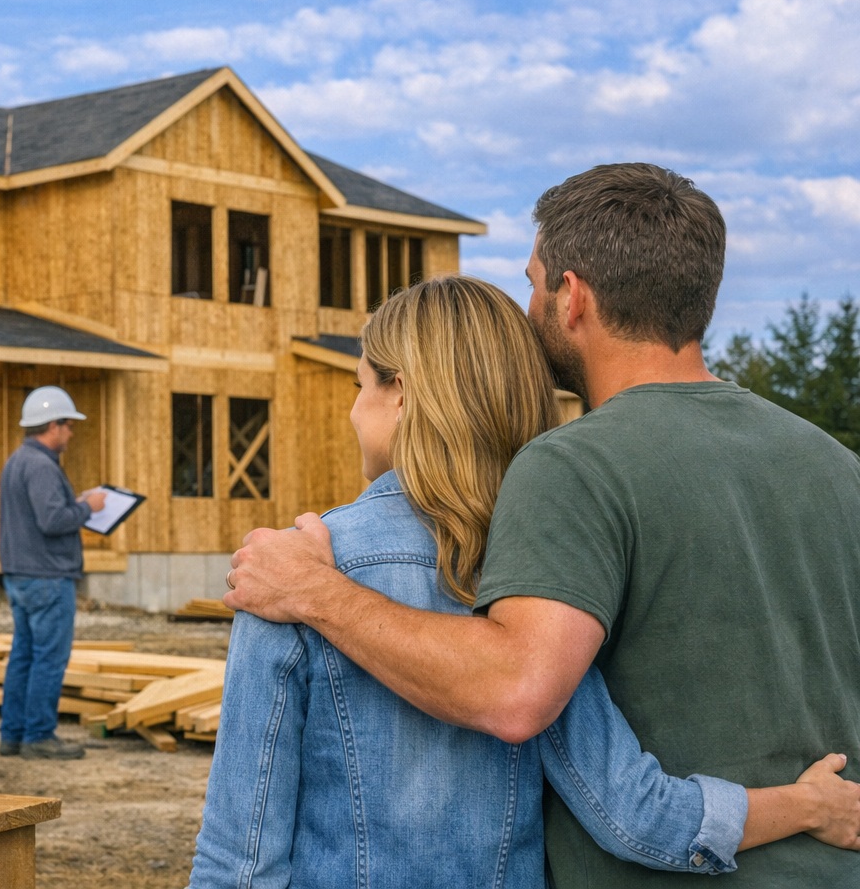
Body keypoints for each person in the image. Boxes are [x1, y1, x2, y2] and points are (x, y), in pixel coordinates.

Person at [225, 164, 860, 885]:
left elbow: (518, 692)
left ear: (572, 296)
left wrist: (316, 592)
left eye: (532, 282)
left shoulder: (573, 469)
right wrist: (811, 806)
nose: (525, 309)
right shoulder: (836, 467)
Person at [0, 385, 106, 761]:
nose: (71, 434)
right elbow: (52, 520)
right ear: (54, 426)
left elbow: (41, 513)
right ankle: (39, 735)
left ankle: (12, 734)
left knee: (24, 655)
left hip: (21, 573)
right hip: (47, 576)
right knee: (48, 657)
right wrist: (88, 507)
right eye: (68, 425)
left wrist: (72, 505)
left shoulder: (18, 460)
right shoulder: (43, 466)